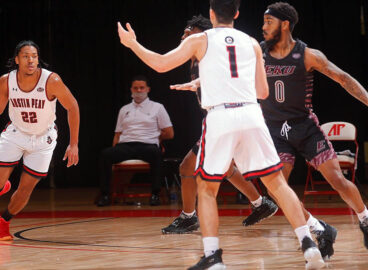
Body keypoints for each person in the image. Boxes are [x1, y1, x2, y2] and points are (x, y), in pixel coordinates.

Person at [118, 0, 325, 269]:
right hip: (252, 114)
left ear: (212, 14)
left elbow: (160, 64)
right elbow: (263, 93)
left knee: (206, 188)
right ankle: (309, 246)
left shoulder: (200, 40)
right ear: (237, 14)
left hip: (221, 115)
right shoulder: (252, 43)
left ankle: (213, 257)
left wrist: (132, 44)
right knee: (277, 184)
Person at [260, 2, 368, 256]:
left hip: (305, 127)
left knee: (338, 181)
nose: (263, 27)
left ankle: (364, 218)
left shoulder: (307, 55)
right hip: (275, 130)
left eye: (269, 22)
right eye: (263, 22)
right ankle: (318, 228)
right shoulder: (257, 52)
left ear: (284, 24)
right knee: (276, 190)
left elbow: (343, 78)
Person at [162, 15, 278, 235]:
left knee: (188, 167)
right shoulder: (199, 58)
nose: (183, 35)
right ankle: (260, 203)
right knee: (226, 169)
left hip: (230, 117)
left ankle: (189, 217)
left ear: (201, 34)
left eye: (188, 31)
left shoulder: (208, 54)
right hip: (231, 118)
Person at [0, 40, 80, 241]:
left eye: (34, 56)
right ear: (17, 60)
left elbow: (72, 107)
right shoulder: (6, 81)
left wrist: (73, 144)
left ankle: (3, 221)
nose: (31, 60)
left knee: (25, 188)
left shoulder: (51, 81)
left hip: (43, 139)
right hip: (16, 133)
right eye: (26, 56)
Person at [96, 75, 174, 206]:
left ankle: (155, 194)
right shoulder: (124, 109)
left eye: (141, 88)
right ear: (131, 89)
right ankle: (105, 195)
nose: (138, 90)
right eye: (135, 88)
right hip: (126, 145)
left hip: (147, 144)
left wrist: (157, 138)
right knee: (106, 154)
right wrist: (115, 147)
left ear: (148, 89)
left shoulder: (157, 107)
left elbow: (170, 133)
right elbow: (118, 133)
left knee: (156, 154)